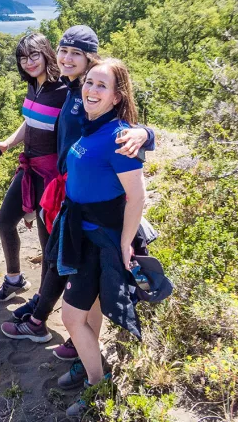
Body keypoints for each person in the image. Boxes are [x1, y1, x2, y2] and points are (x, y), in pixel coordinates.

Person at [0, 26, 154, 348]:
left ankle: (49, 322)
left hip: (81, 190)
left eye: (76, 54)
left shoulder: (88, 88)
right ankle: (47, 310)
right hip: (68, 186)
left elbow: (117, 120)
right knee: (65, 255)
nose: (67, 58)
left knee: (67, 257)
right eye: (64, 51)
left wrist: (146, 134)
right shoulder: (70, 90)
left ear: (89, 59)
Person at [55, 58, 146, 418]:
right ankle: (88, 363)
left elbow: (137, 197)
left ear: (116, 96)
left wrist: (125, 243)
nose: (91, 90)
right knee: (89, 311)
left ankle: (98, 383)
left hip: (101, 239)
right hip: (83, 233)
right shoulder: (92, 126)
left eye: (101, 86)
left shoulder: (119, 137)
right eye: (89, 82)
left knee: (71, 318)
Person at [0, 33, 65, 305]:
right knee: (4, 221)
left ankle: (42, 301)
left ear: (46, 54)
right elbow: (29, 122)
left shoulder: (63, 91)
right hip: (29, 168)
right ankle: (14, 278)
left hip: (50, 176)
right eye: (23, 58)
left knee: (47, 242)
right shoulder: (35, 87)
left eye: (34, 55)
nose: (29, 62)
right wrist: (7, 144)